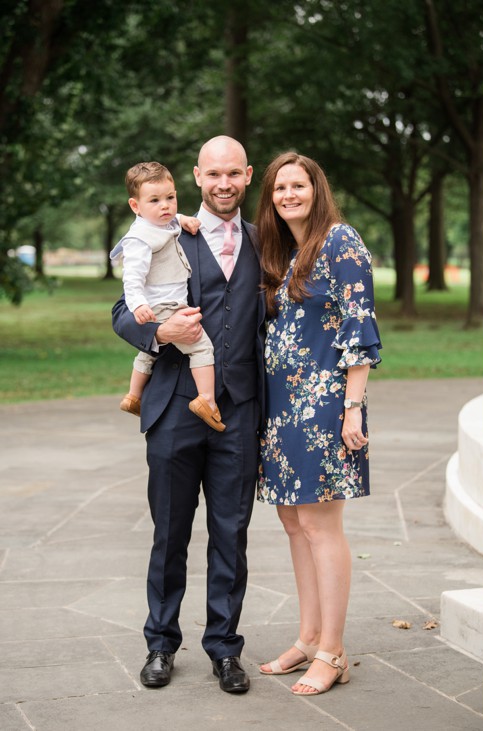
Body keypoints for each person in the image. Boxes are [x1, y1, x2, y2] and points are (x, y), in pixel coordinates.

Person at [111, 136, 262, 694]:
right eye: (213, 174)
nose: (223, 184)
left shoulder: (261, 240)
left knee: (231, 534)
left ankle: (225, 648)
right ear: (198, 177)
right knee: (169, 533)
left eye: (233, 174)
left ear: (247, 176)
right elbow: (121, 309)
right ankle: (160, 643)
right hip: (174, 405)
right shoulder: (165, 231)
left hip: (239, 412)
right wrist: (157, 330)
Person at [254, 152, 381, 696]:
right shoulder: (288, 250)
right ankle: (307, 637)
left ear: (316, 188)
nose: (288, 194)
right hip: (282, 410)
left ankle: (333, 650)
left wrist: (353, 405)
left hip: (325, 407)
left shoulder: (340, 240)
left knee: (321, 527)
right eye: (280, 187)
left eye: (298, 185)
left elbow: (359, 322)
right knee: (294, 526)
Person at [112, 161, 224, 431]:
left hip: (163, 304)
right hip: (164, 306)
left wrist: (184, 218)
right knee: (201, 347)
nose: (165, 206)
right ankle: (206, 400)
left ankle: (133, 396)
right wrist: (138, 305)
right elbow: (132, 277)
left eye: (170, 198)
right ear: (135, 206)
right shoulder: (139, 239)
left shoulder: (164, 222)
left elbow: (174, 220)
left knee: (149, 354)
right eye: (155, 200)